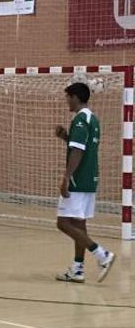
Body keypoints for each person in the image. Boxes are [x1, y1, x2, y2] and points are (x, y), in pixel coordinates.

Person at [53, 82, 115, 283]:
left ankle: (102, 255)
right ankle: (78, 269)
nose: (66, 101)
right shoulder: (93, 119)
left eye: (68, 97)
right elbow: (82, 146)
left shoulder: (80, 120)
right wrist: (66, 138)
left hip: (77, 179)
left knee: (62, 223)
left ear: (76, 97)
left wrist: (65, 178)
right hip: (90, 178)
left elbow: (78, 152)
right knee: (79, 224)